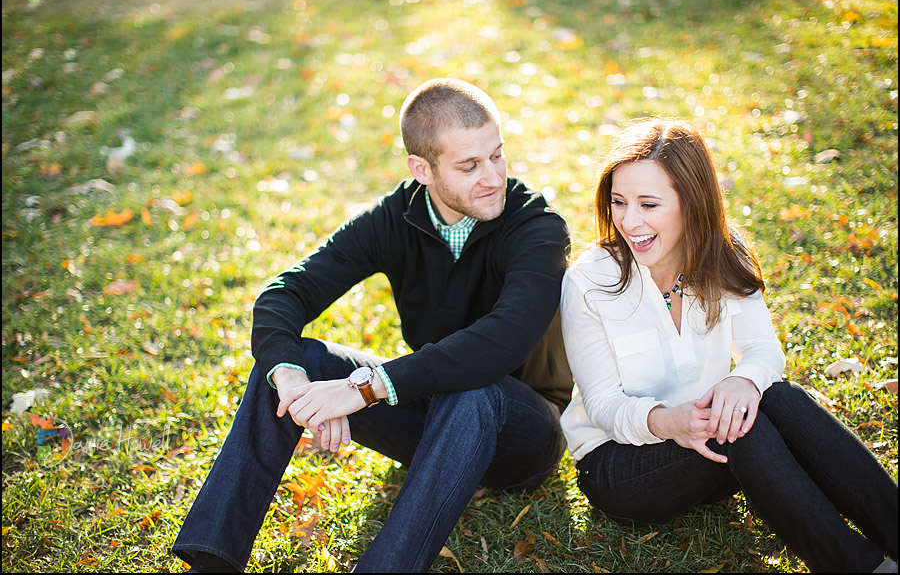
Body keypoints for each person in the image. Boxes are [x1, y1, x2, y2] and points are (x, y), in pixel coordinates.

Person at [171, 78, 573, 573]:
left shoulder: (537, 228)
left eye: (496, 155)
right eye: (469, 166)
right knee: (295, 357)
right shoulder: (394, 219)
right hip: (432, 417)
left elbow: (503, 342)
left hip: (524, 433)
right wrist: (291, 379)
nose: (492, 177)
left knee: (474, 390)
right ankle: (212, 559)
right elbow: (285, 293)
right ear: (422, 169)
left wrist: (365, 388)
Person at [559, 118, 898, 573]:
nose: (629, 221)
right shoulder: (589, 281)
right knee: (738, 424)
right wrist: (668, 422)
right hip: (622, 463)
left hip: (720, 450)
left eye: (649, 204)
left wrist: (743, 381)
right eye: (619, 202)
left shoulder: (723, 251)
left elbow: (763, 351)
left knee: (775, 397)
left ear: (692, 201)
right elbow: (603, 405)